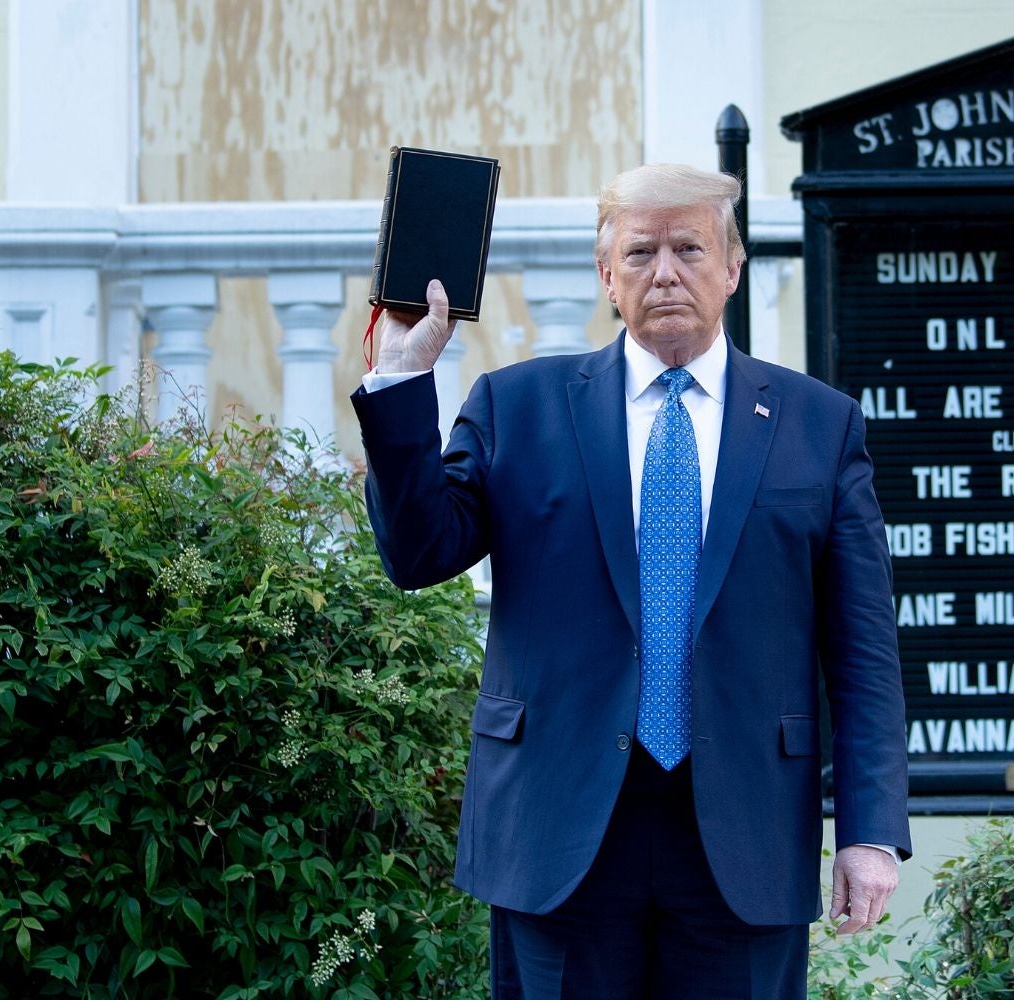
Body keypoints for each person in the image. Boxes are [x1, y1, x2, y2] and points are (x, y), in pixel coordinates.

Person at [351, 162, 910, 999]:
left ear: (733, 267)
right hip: (559, 830)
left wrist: (869, 831)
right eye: (641, 252)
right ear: (607, 275)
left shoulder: (818, 425)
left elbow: (863, 651)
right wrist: (401, 382)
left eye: (690, 247)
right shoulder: (520, 406)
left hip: (744, 832)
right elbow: (420, 553)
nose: (667, 272)